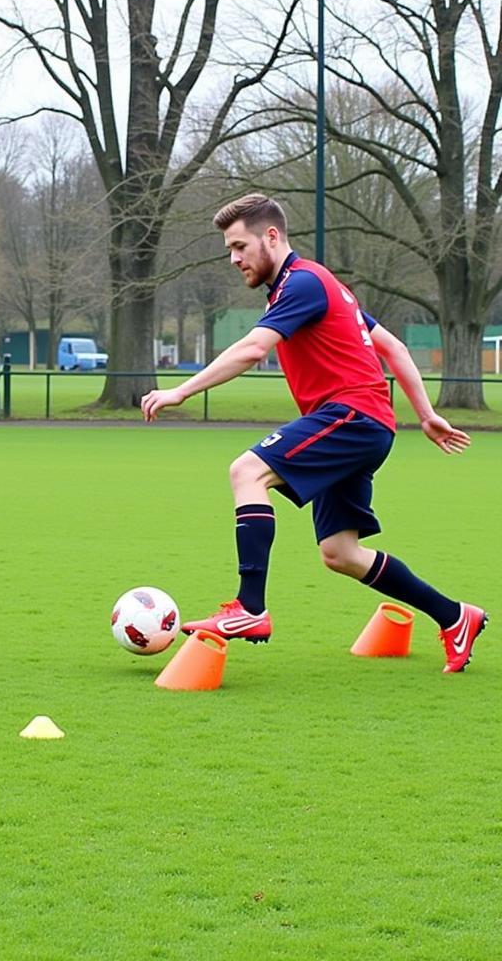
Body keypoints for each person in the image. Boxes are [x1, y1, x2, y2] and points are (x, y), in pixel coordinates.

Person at [141, 192, 487, 673]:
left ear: (272, 236)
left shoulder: (301, 284)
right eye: (229, 251)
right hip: (364, 425)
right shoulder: (322, 286)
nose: (234, 259)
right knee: (340, 553)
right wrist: (425, 414)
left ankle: (250, 608)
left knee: (247, 472)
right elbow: (392, 348)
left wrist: (181, 391)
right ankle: (456, 617)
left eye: (240, 246)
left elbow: (252, 348)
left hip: (352, 417)